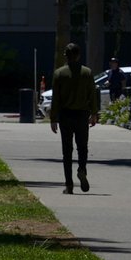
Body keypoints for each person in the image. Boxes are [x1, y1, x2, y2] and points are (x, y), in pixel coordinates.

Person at [49, 43, 99, 194]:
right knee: (82, 147)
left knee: (67, 150)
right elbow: (92, 94)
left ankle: (69, 184)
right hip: (82, 114)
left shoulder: (59, 74)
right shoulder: (87, 72)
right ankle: (82, 169)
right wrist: (94, 113)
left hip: (66, 115)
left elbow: (55, 99)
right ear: (78, 55)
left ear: (66, 55)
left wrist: (53, 118)